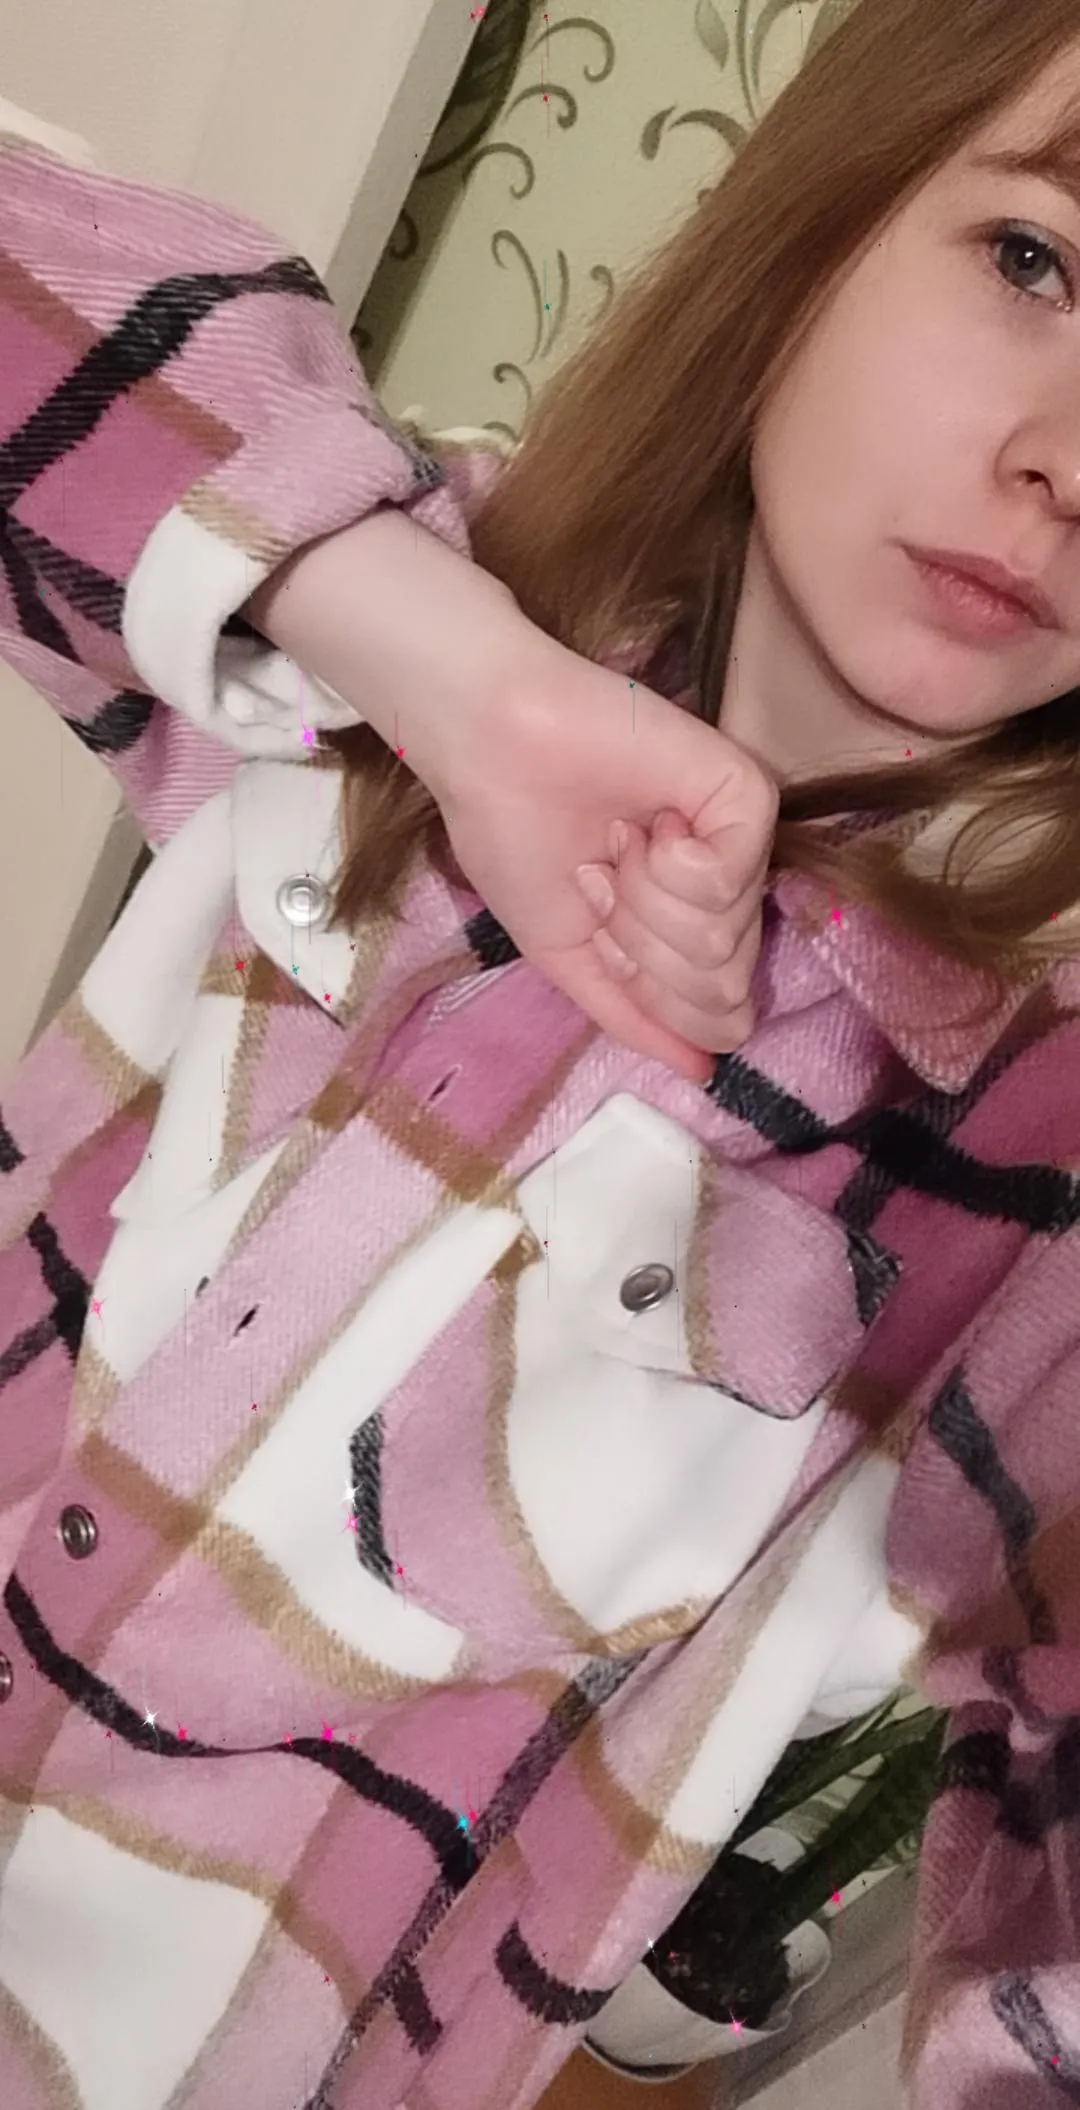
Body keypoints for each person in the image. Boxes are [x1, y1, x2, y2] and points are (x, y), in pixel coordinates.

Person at [2, 0, 1080, 2104]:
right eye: (1034, 259)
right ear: (834, 211)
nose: (1070, 458)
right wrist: (442, 665)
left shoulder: (1021, 1181)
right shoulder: (367, 628)